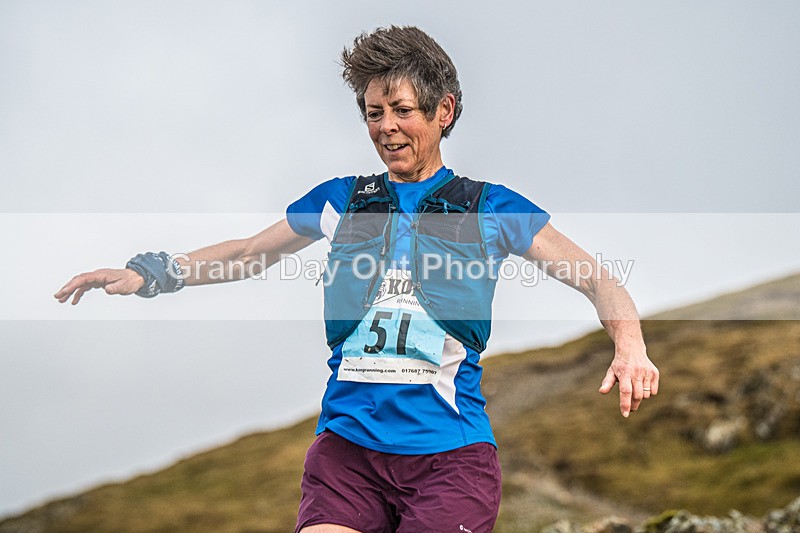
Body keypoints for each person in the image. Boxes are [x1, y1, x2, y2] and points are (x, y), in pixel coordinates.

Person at [54, 26, 659, 533]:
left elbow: (597, 279)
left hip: (450, 458)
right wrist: (151, 273)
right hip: (347, 453)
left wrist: (629, 346)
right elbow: (246, 254)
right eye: (374, 114)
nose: (386, 128)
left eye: (402, 111)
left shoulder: (490, 207)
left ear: (443, 112)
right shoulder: (342, 200)